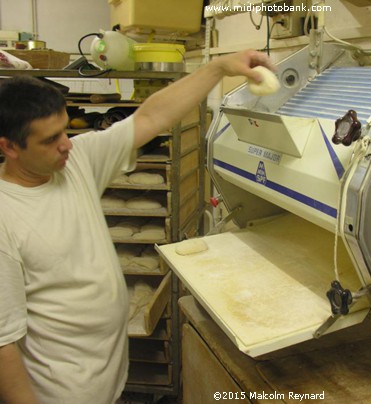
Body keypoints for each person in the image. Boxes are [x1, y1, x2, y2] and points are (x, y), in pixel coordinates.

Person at [0, 50, 274, 404]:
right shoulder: (6, 217)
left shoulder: (75, 161)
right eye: (50, 139)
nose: (66, 143)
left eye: (65, 129)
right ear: (9, 147)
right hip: (60, 393)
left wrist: (218, 68)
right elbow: (4, 344)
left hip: (107, 380)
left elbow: (151, 116)